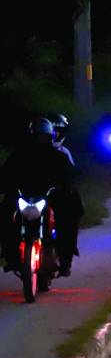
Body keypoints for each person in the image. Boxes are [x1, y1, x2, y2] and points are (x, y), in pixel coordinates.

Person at [0, 118, 82, 276]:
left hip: (50, 198)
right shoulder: (19, 156)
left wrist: (68, 187)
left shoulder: (57, 157)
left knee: (69, 216)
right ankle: (10, 256)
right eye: (38, 137)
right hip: (24, 198)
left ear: (49, 137)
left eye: (44, 137)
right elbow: (6, 174)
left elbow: (70, 175)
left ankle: (65, 259)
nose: (40, 140)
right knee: (5, 214)